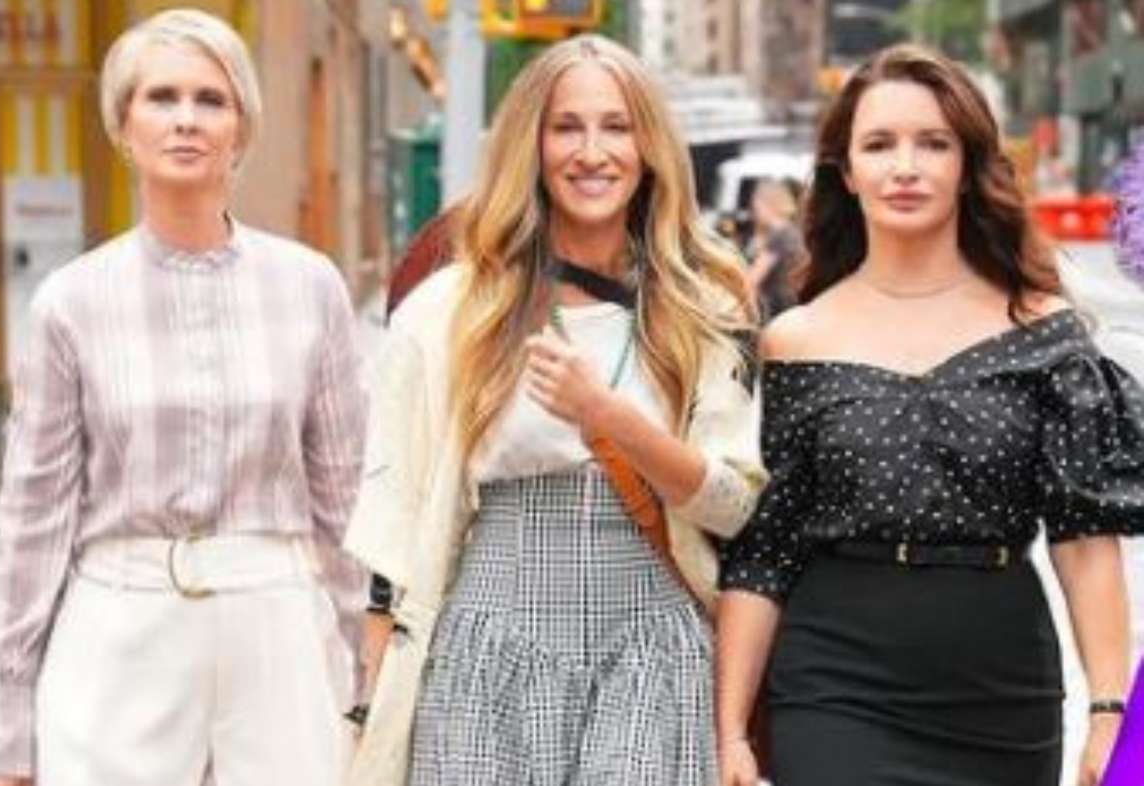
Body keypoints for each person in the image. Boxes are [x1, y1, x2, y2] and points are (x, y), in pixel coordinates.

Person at [344, 34, 766, 786]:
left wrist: (608, 416)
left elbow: (733, 506)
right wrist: (371, 701)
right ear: (529, 145)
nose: (591, 152)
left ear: (649, 147)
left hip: (648, 642)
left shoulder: (701, 306)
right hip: (487, 644)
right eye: (566, 127)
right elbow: (394, 529)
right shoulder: (449, 311)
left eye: (617, 127)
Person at [717, 43, 1144, 786]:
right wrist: (730, 731)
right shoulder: (795, 339)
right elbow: (767, 550)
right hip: (833, 684)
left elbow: (1084, 537)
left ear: (968, 166)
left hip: (1001, 694)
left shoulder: (1044, 331)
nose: (906, 166)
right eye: (880, 144)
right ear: (846, 172)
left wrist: (1111, 714)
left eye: (934, 143)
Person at [0, 9, 367, 786]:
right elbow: (34, 522)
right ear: (124, 125)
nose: (186, 119)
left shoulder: (309, 287)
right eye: (161, 97)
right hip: (120, 622)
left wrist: (372, 667)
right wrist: (6, 735)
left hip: (276, 622)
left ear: (241, 127)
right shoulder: (71, 302)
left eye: (211, 100)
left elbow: (347, 502)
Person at [745, 177, 804, 321]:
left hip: (775, 306)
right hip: (790, 304)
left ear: (767, 203)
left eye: (756, 206)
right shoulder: (791, 230)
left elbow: (753, 278)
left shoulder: (779, 234)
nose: (753, 212)